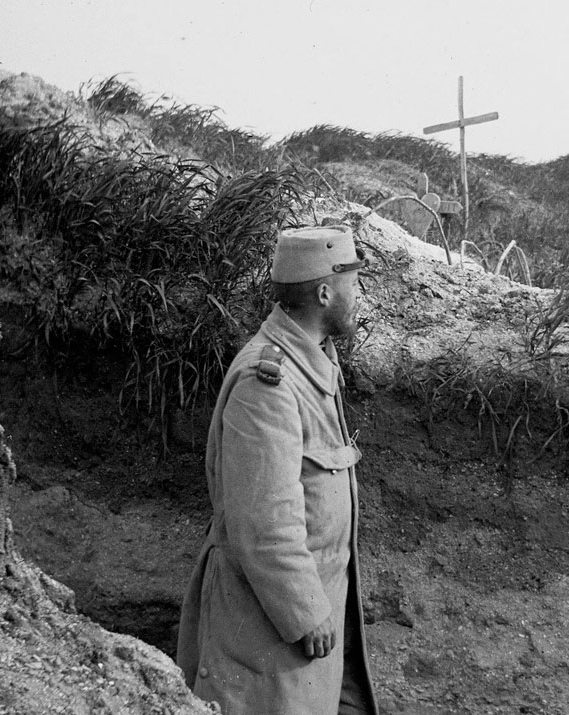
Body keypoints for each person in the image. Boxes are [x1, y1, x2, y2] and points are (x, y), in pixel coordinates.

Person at [176, 224, 378, 715]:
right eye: (354, 283)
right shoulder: (268, 384)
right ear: (325, 292)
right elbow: (263, 523)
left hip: (305, 624)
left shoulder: (315, 365)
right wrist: (306, 612)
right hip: (273, 630)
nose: (360, 296)